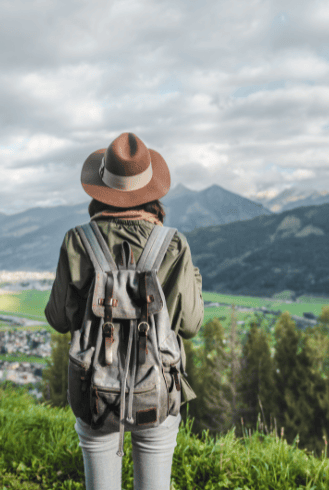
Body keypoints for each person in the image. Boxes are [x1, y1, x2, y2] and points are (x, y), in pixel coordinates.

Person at [45, 132, 204, 490]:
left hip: (94, 391)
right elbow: (191, 324)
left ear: (102, 186)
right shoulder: (173, 244)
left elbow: (57, 318)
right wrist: (191, 276)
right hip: (158, 390)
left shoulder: (77, 241)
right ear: (151, 190)